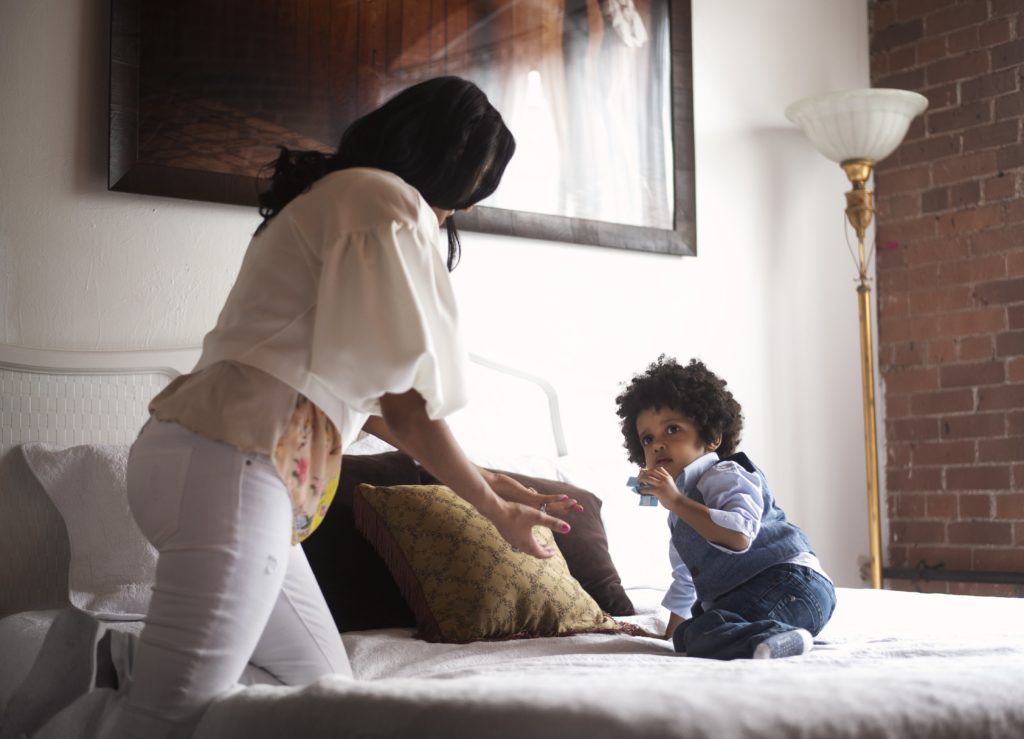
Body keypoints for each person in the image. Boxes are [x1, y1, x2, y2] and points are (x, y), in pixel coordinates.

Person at [4, 76, 581, 739]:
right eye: (468, 189)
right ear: (443, 164)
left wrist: (484, 476)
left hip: (219, 462)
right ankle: (78, 710)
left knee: (318, 693)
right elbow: (410, 404)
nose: (460, 211)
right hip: (231, 466)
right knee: (167, 719)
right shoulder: (383, 200)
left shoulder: (341, 199)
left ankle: (110, 662)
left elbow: (380, 408)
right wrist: (495, 509)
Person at [614, 356, 835, 660]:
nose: (657, 445)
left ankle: (776, 636)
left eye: (672, 430)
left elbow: (739, 534)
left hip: (791, 583)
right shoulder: (679, 512)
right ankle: (774, 640)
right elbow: (686, 578)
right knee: (689, 635)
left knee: (704, 630)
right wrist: (670, 637)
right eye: (648, 438)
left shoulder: (724, 474)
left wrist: (677, 501)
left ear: (712, 436)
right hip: (759, 596)